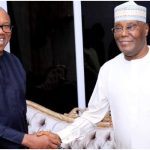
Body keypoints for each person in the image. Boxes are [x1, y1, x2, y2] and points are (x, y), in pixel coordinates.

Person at [40, 1, 150, 149]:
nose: (123, 33)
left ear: (146, 29)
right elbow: (92, 116)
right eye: (118, 28)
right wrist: (60, 136)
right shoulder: (109, 69)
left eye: (131, 27)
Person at [0, 6, 61, 148]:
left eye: (6, 26)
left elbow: (19, 111)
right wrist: (27, 140)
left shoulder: (14, 62)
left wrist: (34, 138)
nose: (2, 32)